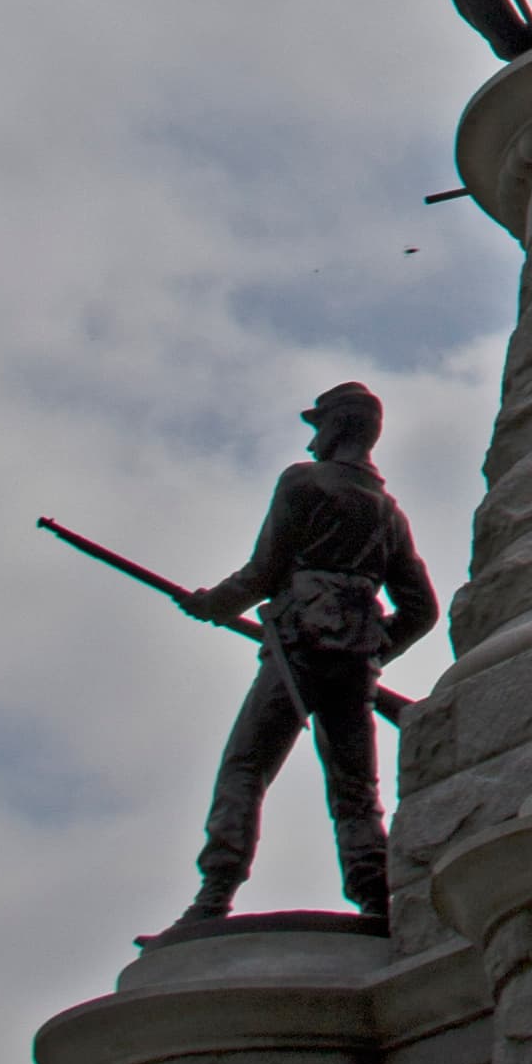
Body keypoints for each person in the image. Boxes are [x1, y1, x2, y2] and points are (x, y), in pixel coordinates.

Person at [166, 383, 437, 934]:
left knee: (246, 767)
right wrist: (369, 646)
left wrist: (211, 604)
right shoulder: (388, 512)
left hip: (297, 649)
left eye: (319, 427)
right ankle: (375, 900)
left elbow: (262, 573)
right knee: (356, 791)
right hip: (354, 661)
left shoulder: (303, 482)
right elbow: (421, 609)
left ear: (336, 426)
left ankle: (213, 896)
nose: (312, 442)